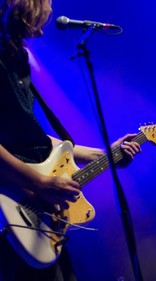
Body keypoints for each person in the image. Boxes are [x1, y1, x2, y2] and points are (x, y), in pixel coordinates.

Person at [0, 0, 141, 280]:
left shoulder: (19, 59)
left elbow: (32, 139)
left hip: (37, 215)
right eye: (47, 3)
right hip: (12, 205)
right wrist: (39, 182)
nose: (50, 11)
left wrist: (105, 155)